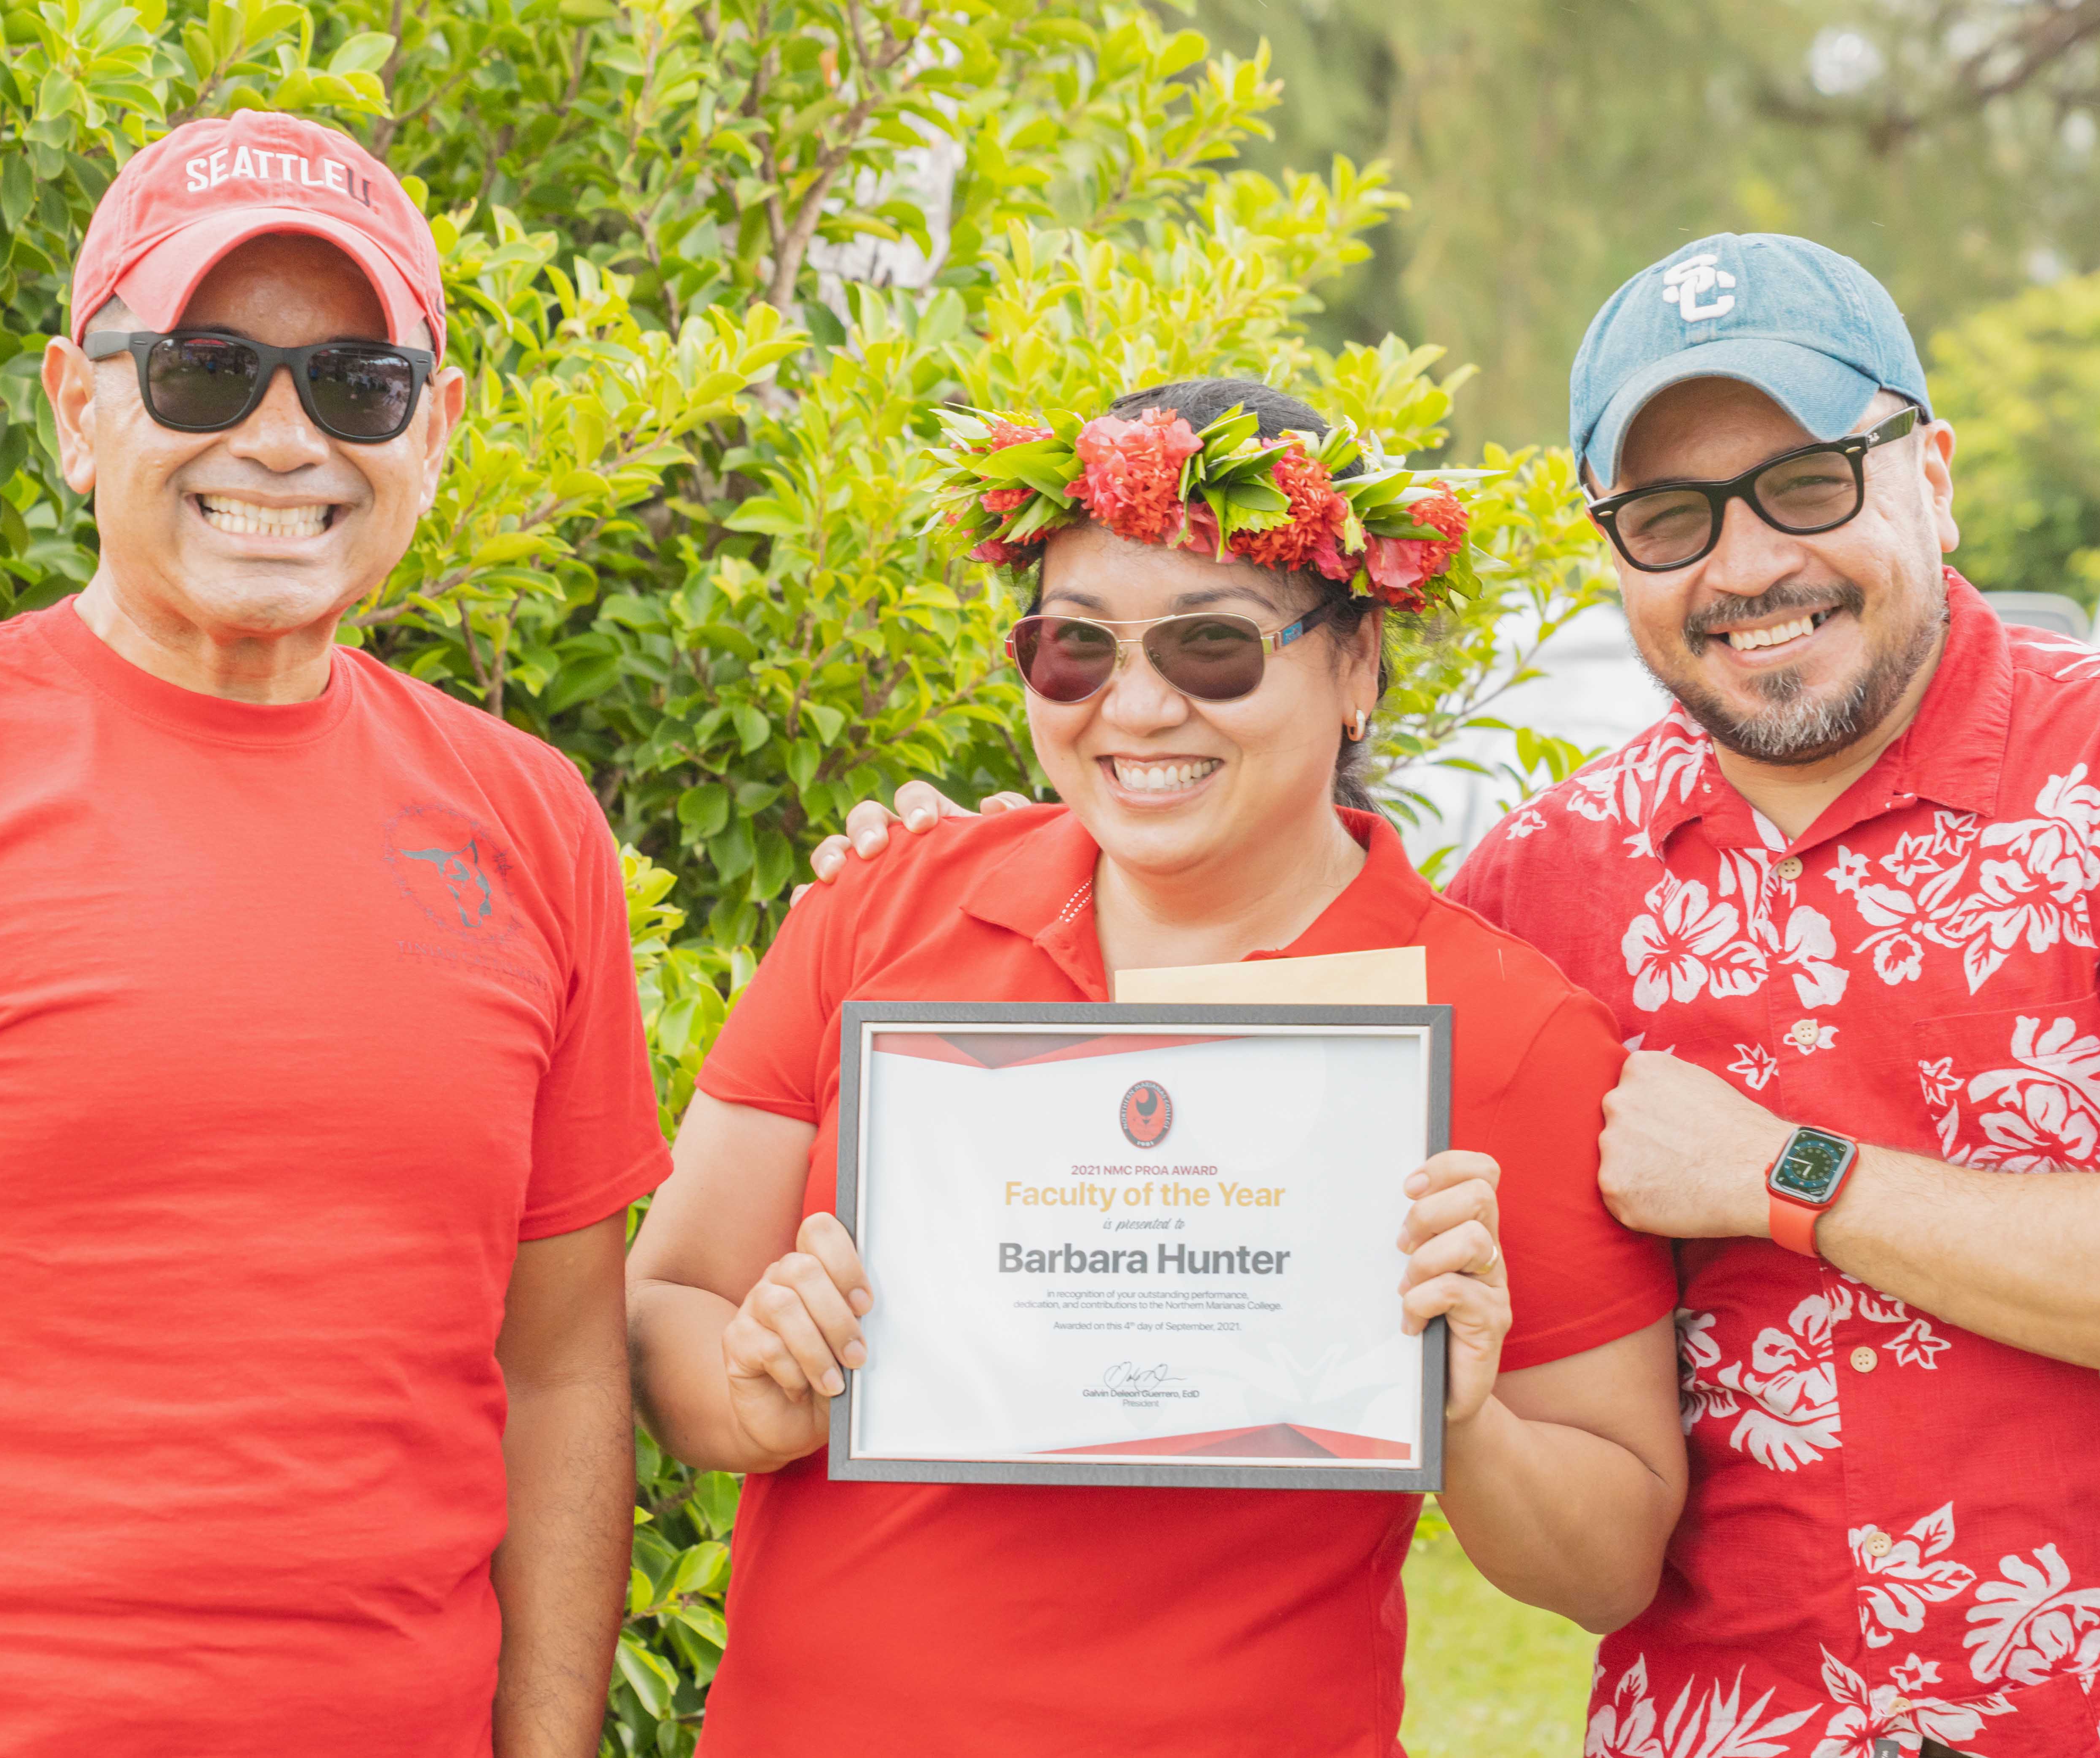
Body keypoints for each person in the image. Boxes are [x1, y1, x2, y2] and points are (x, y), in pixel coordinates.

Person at [821, 235, 2100, 1757]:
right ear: (1613, 553)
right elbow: (1231, 1009)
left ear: (1927, 478)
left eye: (1803, 483)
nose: (1745, 564)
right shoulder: (1548, 885)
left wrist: (1782, 1177)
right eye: (1669, 516)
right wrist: (973, 861)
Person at [0, 111, 666, 1758]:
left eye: (357, 386)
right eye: (207, 372)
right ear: (77, 409)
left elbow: (565, 1374)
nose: (285, 439)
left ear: (434, 430)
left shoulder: (531, 824)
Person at [628, 379, 1687, 1757]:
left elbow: (1608, 1564)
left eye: (1213, 648)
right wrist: (750, 1392)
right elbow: (670, 1301)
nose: (1134, 707)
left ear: (1356, 665)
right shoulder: (879, 911)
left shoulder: (1500, 1027)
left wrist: (1459, 1418)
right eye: (1074, 648)